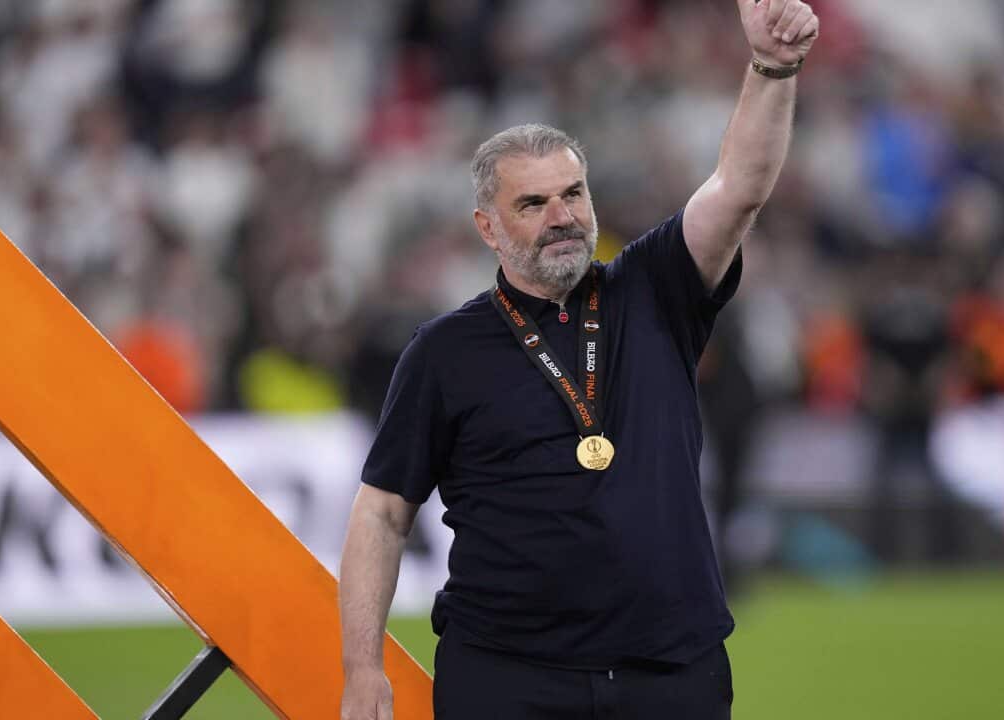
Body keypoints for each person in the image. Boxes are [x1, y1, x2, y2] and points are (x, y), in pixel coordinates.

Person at [339, 1, 818, 717]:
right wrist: (362, 667)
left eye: (573, 194)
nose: (563, 216)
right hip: (508, 677)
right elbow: (381, 513)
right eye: (533, 203)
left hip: (668, 672)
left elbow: (738, 188)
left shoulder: (655, 286)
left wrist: (774, 68)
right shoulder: (443, 352)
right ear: (489, 227)